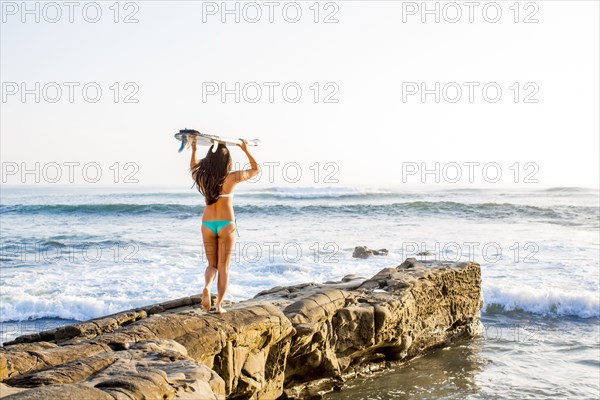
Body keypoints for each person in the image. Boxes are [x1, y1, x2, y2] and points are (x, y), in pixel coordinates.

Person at [190, 135, 260, 313]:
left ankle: (207, 286)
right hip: (226, 224)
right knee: (224, 267)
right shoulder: (232, 178)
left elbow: (193, 167)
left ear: (209, 160)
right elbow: (256, 169)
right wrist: (246, 150)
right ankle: (219, 306)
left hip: (207, 224)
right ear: (227, 161)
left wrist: (194, 149)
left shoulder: (202, 178)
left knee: (211, 264)